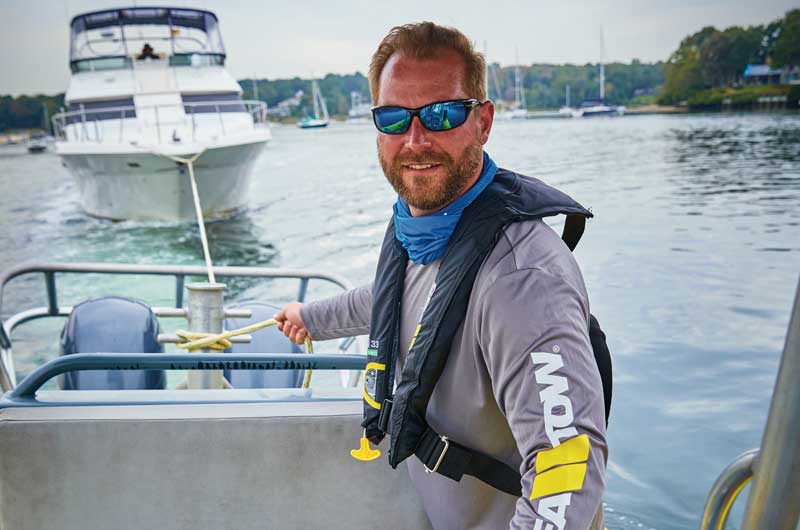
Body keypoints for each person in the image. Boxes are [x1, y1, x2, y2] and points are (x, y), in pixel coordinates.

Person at [275, 22, 608, 530]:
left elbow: (566, 473)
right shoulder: (426, 236)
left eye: (441, 114)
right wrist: (308, 318)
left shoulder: (522, 279)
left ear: (483, 121)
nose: (415, 139)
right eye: (393, 118)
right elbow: (392, 300)